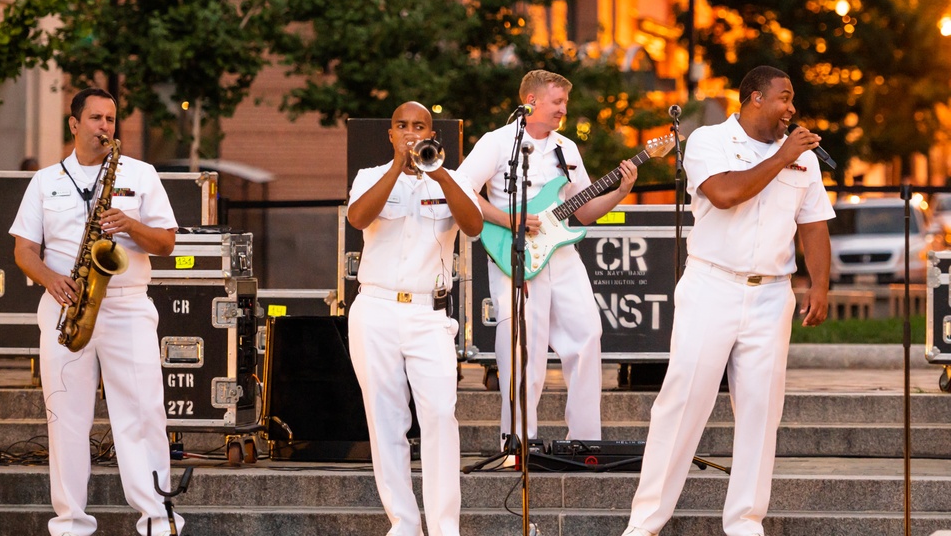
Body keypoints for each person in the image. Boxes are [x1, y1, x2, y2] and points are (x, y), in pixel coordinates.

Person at [620, 66, 833, 536]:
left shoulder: (805, 160)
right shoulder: (708, 141)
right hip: (712, 286)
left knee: (761, 411)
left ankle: (745, 523)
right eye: (784, 97)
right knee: (681, 405)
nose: (791, 108)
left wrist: (819, 285)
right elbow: (724, 193)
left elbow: (814, 223)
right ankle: (644, 524)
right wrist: (783, 157)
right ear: (754, 98)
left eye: (792, 99)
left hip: (771, 292)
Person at [10, 88, 182, 536]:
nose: (105, 126)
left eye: (110, 118)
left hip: (126, 306)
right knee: (65, 416)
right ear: (74, 123)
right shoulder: (45, 180)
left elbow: (166, 243)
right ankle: (70, 523)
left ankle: (158, 520)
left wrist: (131, 224)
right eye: (95, 118)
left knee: (143, 414)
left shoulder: (140, 174)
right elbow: (24, 250)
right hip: (66, 306)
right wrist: (51, 279)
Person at [458, 69, 638, 444]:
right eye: (557, 102)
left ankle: (586, 441)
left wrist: (621, 191)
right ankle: (518, 444)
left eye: (565, 103)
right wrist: (512, 220)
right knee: (523, 349)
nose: (563, 110)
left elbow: (584, 211)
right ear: (531, 101)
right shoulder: (497, 142)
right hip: (515, 255)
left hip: (563, 254)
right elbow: (462, 190)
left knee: (588, 335)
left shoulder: (566, 148)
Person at [346, 101, 483, 536]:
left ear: (431, 132)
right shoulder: (370, 177)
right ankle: (404, 524)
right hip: (376, 308)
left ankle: (445, 528)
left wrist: (438, 172)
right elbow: (357, 218)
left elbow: (474, 226)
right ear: (390, 134)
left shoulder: (450, 178)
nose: (410, 132)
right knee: (385, 420)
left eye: (418, 126)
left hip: (428, 312)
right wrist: (397, 168)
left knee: (442, 414)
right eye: (402, 126)